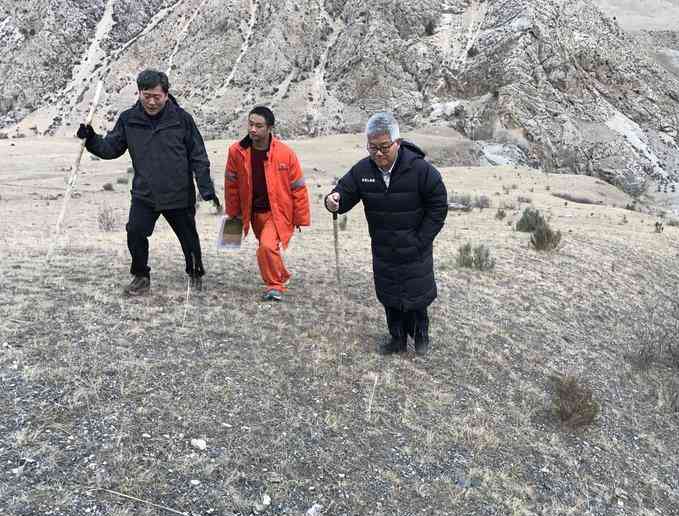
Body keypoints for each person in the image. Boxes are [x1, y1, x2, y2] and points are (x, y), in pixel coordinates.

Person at [77, 69, 220, 296]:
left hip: (178, 193)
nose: (152, 102)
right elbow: (111, 148)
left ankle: (195, 273)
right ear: (139, 93)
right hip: (145, 193)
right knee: (135, 232)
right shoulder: (128, 119)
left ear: (166, 94)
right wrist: (91, 139)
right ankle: (141, 276)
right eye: (147, 96)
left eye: (157, 96)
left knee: (189, 238)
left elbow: (198, 155)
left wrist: (206, 189)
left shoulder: (182, 119)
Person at [324, 112, 448, 356]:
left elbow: (438, 206)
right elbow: (343, 193)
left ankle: (421, 335)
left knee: (417, 297)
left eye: (384, 147)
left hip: (415, 249)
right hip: (383, 249)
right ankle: (397, 339)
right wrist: (333, 200)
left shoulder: (422, 170)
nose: (379, 153)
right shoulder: (362, 170)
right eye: (373, 148)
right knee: (390, 297)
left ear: (397, 143)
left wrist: (421, 240)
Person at [223, 106, 310, 301]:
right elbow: (231, 184)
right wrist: (233, 213)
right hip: (253, 213)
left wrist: (300, 217)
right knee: (268, 247)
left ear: (270, 128)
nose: (253, 129)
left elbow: (298, 187)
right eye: (250, 124)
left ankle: (275, 286)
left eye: (259, 126)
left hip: (279, 212)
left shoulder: (285, 153)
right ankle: (282, 275)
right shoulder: (236, 151)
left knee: (267, 246)